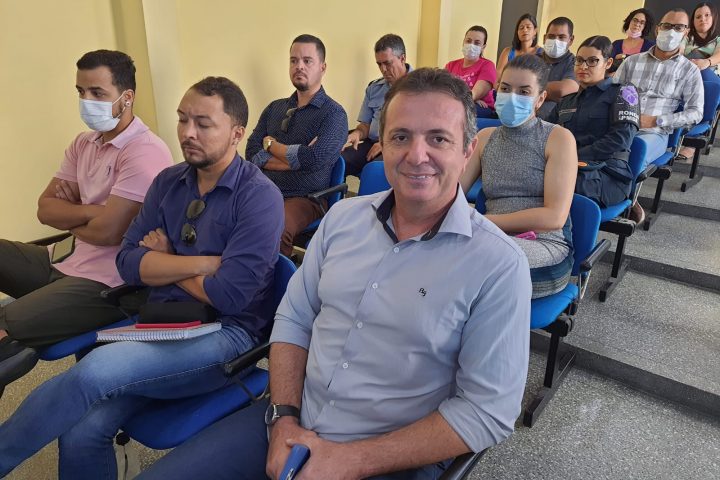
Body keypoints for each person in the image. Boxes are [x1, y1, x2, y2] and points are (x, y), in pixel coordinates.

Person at [138, 68, 531, 480]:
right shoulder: (343, 219)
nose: (417, 155)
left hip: (390, 454)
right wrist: (284, 417)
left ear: (468, 150)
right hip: (289, 420)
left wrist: (354, 460)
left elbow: (487, 410)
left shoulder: (497, 264)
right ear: (382, 144)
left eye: (439, 139)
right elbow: (295, 318)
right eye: (400, 137)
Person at [0, 76, 285, 478]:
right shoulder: (168, 183)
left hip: (226, 336)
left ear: (237, 134)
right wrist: (199, 264)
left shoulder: (259, 197)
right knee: (82, 429)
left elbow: (230, 296)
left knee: (93, 372)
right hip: (163, 320)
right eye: (182, 119)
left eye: (203, 124)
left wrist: (164, 260)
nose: (187, 132)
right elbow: (129, 262)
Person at [0, 49, 172, 391]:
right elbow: (45, 209)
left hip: (110, 281)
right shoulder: (83, 143)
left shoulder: (145, 151)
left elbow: (109, 233)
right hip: (68, 258)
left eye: (97, 93)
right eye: (81, 91)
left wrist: (79, 214)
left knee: (6, 324)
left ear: (127, 98)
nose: (86, 101)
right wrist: (93, 212)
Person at [461, 54, 577, 299]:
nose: (512, 97)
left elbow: (554, 217)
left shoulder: (557, 138)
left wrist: (482, 222)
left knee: (468, 264)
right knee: (438, 252)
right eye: (505, 89)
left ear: (540, 99)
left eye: (524, 92)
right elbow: (453, 192)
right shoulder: (485, 138)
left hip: (544, 247)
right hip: (490, 238)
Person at [247, 34, 347, 255]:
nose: (299, 66)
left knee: (274, 228)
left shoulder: (334, 114)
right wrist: (296, 158)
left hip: (305, 198)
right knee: (225, 216)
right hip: (263, 189)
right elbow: (251, 152)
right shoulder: (274, 108)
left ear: (322, 67)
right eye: (294, 60)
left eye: (307, 61)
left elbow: (313, 159)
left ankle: (273, 278)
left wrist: (270, 145)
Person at [614, 8, 704, 221]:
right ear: (657, 29)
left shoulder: (689, 71)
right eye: (667, 26)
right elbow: (612, 93)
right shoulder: (632, 62)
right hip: (622, 124)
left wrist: (657, 120)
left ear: (686, 32)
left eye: (678, 27)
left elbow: (696, 112)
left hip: (655, 132)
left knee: (636, 148)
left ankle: (624, 201)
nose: (671, 31)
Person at [549, 36, 640, 208]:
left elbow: (620, 139)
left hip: (608, 173)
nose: (583, 66)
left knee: (565, 186)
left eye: (592, 61)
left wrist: (570, 157)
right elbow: (545, 133)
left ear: (608, 63)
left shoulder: (624, 92)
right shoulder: (567, 101)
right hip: (568, 166)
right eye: (579, 60)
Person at [343, 34, 411, 177]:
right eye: (379, 64)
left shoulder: (421, 87)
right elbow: (365, 126)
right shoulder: (374, 88)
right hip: (372, 142)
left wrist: (387, 143)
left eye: (387, 63)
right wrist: (356, 134)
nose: (383, 69)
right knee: (339, 161)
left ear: (402, 58)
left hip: (403, 146)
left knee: (374, 172)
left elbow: (420, 129)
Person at [445, 25, 497, 118]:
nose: (471, 45)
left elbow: (474, 94)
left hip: (481, 108)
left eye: (477, 43)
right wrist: (470, 99)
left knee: (454, 112)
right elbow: (442, 90)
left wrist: (472, 99)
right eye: (468, 41)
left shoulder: (488, 65)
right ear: (463, 42)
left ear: (483, 47)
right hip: (459, 104)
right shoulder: (451, 65)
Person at [537, 17, 579, 120]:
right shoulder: (532, 60)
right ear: (544, 38)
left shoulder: (575, 63)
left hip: (554, 124)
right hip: (525, 119)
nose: (556, 41)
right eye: (551, 36)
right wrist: (551, 93)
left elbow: (562, 90)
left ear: (571, 40)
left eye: (561, 37)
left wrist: (529, 90)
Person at [496, 13, 543, 84]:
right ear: (517, 32)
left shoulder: (541, 53)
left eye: (528, 27)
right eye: (521, 28)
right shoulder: (507, 51)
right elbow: (497, 77)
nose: (525, 30)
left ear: (535, 31)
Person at [609, 8, 655, 74]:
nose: (637, 24)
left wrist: (624, 56)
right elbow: (607, 68)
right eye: (635, 20)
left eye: (642, 22)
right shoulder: (616, 44)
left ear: (645, 26)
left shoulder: (650, 47)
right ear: (629, 21)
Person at [685, 1, 720, 84]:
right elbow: (679, 51)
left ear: (713, 17)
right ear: (693, 21)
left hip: (710, 79)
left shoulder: (718, 40)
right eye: (698, 17)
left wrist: (707, 62)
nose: (702, 19)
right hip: (686, 76)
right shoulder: (686, 37)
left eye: (707, 15)